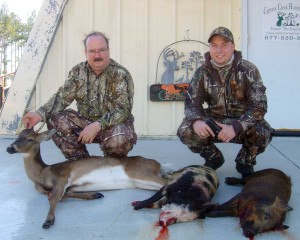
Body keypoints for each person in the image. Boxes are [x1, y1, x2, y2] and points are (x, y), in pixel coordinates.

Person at [22, 31, 137, 160]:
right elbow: (62, 97)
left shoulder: (120, 74)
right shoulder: (78, 72)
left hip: (112, 127)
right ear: (85, 52)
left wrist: (97, 125)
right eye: (92, 51)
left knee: (119, 138)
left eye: (101, 50)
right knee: (55, 119)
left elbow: (123, 109)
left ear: (108, 50)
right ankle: (81, 164)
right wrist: (39, 114)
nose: (97, 55)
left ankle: (112, 165)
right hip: (85, 124)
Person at [177, 26, 274, 177]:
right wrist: (197, 121)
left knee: (263, 132)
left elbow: (259, 106)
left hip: (242, 123)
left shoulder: (248, 70)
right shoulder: (202, 72)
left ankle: (245, 162)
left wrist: (237, 126)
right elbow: (191, 103)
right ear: (209, 48)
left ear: (233, 47)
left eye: (224, 45)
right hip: (215, 122)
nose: (219, 50)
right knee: (186, 130)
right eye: (214, 45)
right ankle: (213, 158)